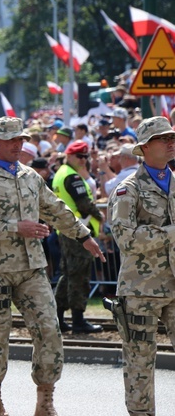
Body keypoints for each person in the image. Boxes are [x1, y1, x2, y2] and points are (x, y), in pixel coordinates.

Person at [0, 117, 105, 416]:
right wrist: (16, 227)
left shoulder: (30, 177)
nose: (17, 144)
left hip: (32, 269)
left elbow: (55, 208)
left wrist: (83, 235)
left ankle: (45, 399)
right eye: (11, 139)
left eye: (20, 139)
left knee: (49, 331)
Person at [108, 116, 175, 416]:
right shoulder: (128, 190)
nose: (171, 142)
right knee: (139, 364)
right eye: (164, 139)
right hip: (141, 289)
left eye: (172, 137)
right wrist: (170, 233)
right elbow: (125, 239)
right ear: (145, 148)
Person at [51, 140, 104, 333]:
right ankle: (78, 320)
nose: (84, 160)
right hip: (78, 232)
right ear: (70, 156)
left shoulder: (61, 173)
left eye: (86, 157)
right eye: (80, 156)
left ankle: (58, 317)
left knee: (69, 274)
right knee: (78, 276)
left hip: (68, 231)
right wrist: (100, 215)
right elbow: (83, 204)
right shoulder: (72, 177)